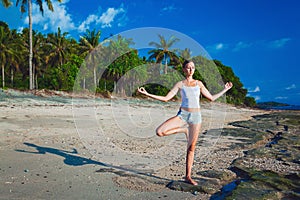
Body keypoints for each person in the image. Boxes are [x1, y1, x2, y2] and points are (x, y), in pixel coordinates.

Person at [138, 60, 233, 186]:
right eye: (188, 68)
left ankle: (188, 176)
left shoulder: (199, 84)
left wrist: (225, 89)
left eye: (192, 68)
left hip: (196, 117)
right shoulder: (180, 84)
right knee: (160, 132)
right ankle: (183, 129)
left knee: (191, 148)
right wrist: (148, 94)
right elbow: (166, 98)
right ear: (184, 69)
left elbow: (211, 98)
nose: (190, 70)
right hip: (182, 115)